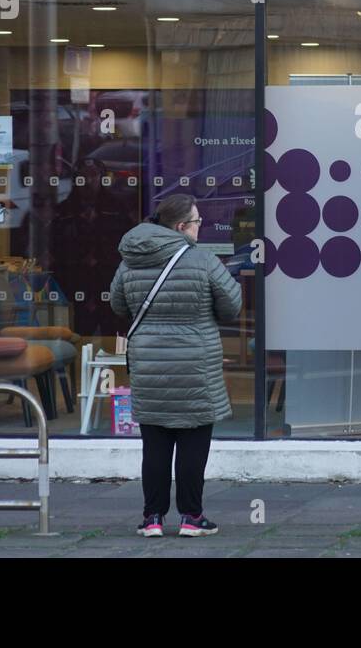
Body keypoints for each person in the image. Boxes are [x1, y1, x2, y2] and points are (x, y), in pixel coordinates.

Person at [110, 194, 241, 538]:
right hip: (195, 364)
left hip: (150, 364)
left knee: (154, 446)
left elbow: (118, 304)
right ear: (182, 227)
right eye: (197, 222)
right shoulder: (203, 260)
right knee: (193, 445)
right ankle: (191, 517)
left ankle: (152, 518)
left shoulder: (131, 259)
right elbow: (232, 307)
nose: (200, 228)